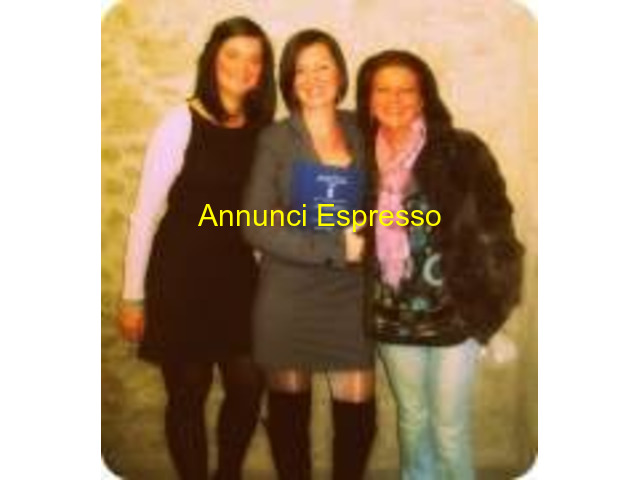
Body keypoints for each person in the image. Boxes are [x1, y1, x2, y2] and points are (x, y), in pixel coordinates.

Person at [116, 17, 275, 480]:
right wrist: (132, 296)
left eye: (254, 59)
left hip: (239, 278)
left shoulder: (264, 129)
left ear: (263, 70)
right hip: (180, 276)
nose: (243, 67)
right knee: (188, 392)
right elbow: (145, 215)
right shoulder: (180, 122)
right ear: (212, 60)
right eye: (233, 55)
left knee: (248, 385)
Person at [356, 50, 524, 480]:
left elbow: (498, 225)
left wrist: (494, 303)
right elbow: (344, 224)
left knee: (450, 427)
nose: (394, 99)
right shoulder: (358, 158)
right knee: (412, 418)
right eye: (383, 90)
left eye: (406, 90)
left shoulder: (460, 150)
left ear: (424, 96)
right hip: (391, 314)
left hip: (455, 312)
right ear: (368, 98)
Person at [242, 29, 376, 480]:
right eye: (300, 70)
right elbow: (254, 223)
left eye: (322, 66)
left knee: (358, 419)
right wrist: (338, 249)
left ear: (340, 74)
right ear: (288, 80)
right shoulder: (276, 139)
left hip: (350, 295)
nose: (312, 78)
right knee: (288, 419)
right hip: (288, 293)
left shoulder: (363, 129)